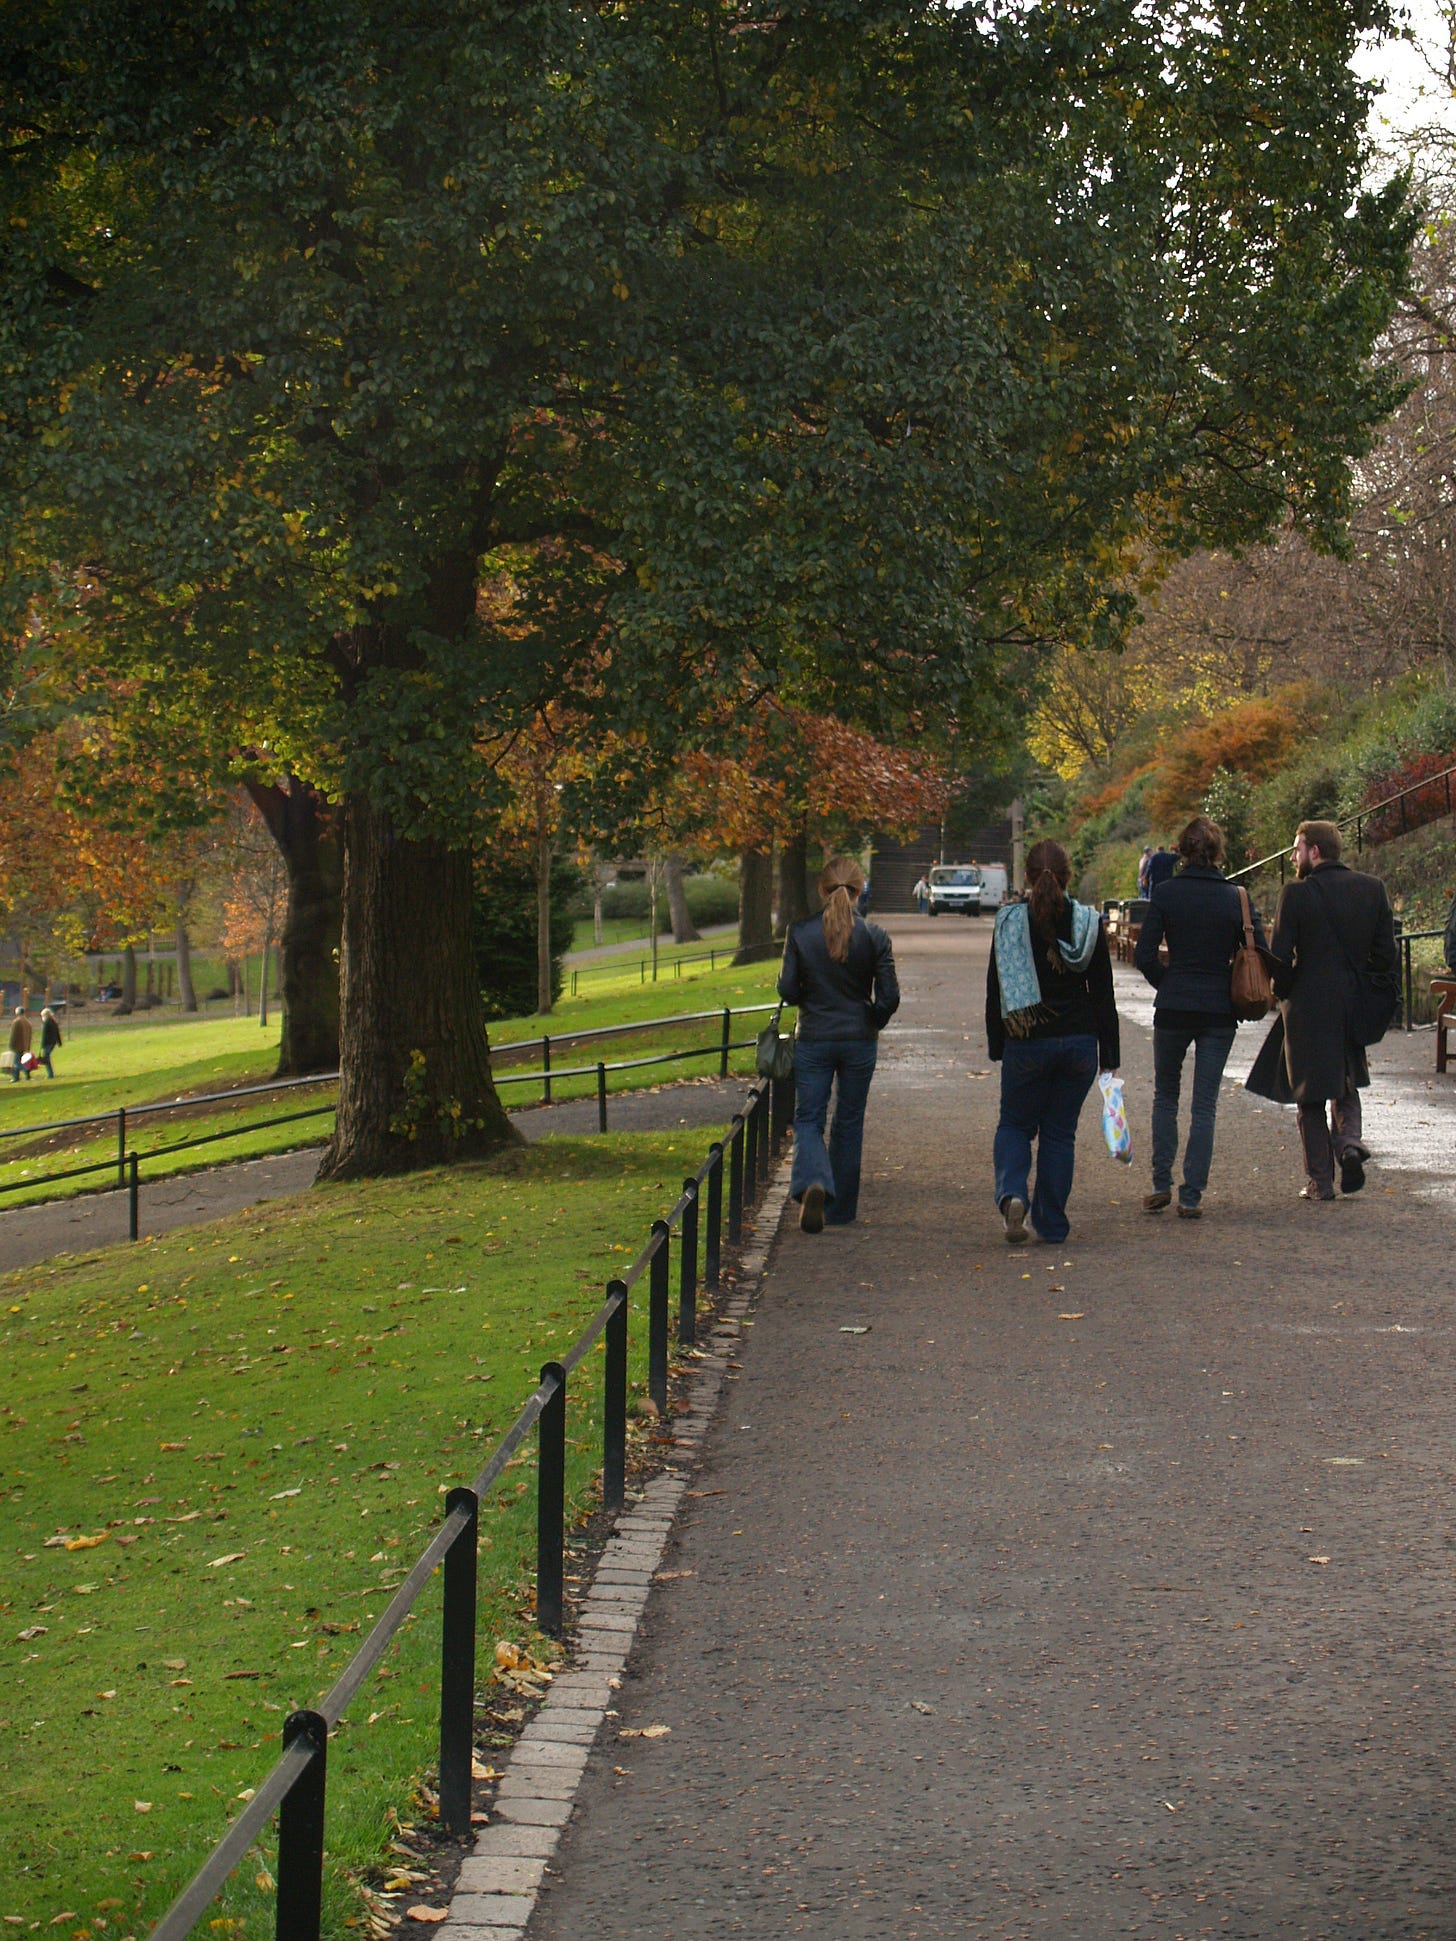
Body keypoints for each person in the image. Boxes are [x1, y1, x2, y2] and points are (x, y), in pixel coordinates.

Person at [1247, 819, 1398, 1201]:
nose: (1295, 856)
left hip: (1308, 1006)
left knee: (1309, 1095)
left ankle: (1321, 1182)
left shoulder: (1295, 894)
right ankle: (1349, 1144)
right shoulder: (1372, 889)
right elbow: (1385, 958)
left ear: (1314, 851)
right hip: (1353, 1005)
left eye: (1297, 849)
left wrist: (1283, 994)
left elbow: (1280, 957)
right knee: (1345, 1083)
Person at [987, 839, 1119, 1245]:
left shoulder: (1009, 922)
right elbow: (1103, 994)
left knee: (1015, 1124)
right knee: (1060, 1134)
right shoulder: (1088, 924)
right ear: (1068, 877)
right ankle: (1053, 1224)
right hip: (1079, 1043)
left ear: (1025, 877)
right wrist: (1109, 1057)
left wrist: (998, 1044)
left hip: (1027, 1041)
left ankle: (1013, 1194)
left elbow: (996, 990)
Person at [1134, 816, 1266, 1220]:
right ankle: (1191, 1194)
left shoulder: (1167, 894)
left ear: (1182, 851)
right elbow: (1258, 949)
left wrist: (1168, 982)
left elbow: (1144, 955)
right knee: (1205, 1105)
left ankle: (1160, 1182)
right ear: (1217, 852)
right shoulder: (1236, 898)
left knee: (1165, 1095)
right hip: (1218, 1011)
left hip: (1173, 1008)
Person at [778, 855, 900, 1233]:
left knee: (809, 1117)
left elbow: (787, 988)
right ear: (860, 891)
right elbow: (889, 996)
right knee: (849, 1121)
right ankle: (841, 1208)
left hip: (814, 1036)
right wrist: (872, 1020)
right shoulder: (874, 936)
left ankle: (814, 1181)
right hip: (858, 1039)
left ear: (821, 889)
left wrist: (808, 998)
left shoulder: (799, 933)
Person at [8, 1006, 32, 1082]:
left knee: (16, 1062)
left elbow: (13, 1035)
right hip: (25, 1046)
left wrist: (11, 1045)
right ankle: (17, 1077)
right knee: (20, 1061)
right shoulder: (27, 1022)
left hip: (17, 1045)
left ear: (17, 1012)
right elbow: (30, 1035)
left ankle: (24, 1072)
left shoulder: (16, 1022)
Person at [39, 1006, 62, 1080]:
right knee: (47, 1058)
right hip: (53, 1042)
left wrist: (42, 1045)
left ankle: (50, 1074)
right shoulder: (53, 1022)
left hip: (48, 1043)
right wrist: (59, 1042)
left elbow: (44, 1035)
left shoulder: (46, 1023)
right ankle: (50, 1074)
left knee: (46, 1058)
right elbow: (57, 1033)